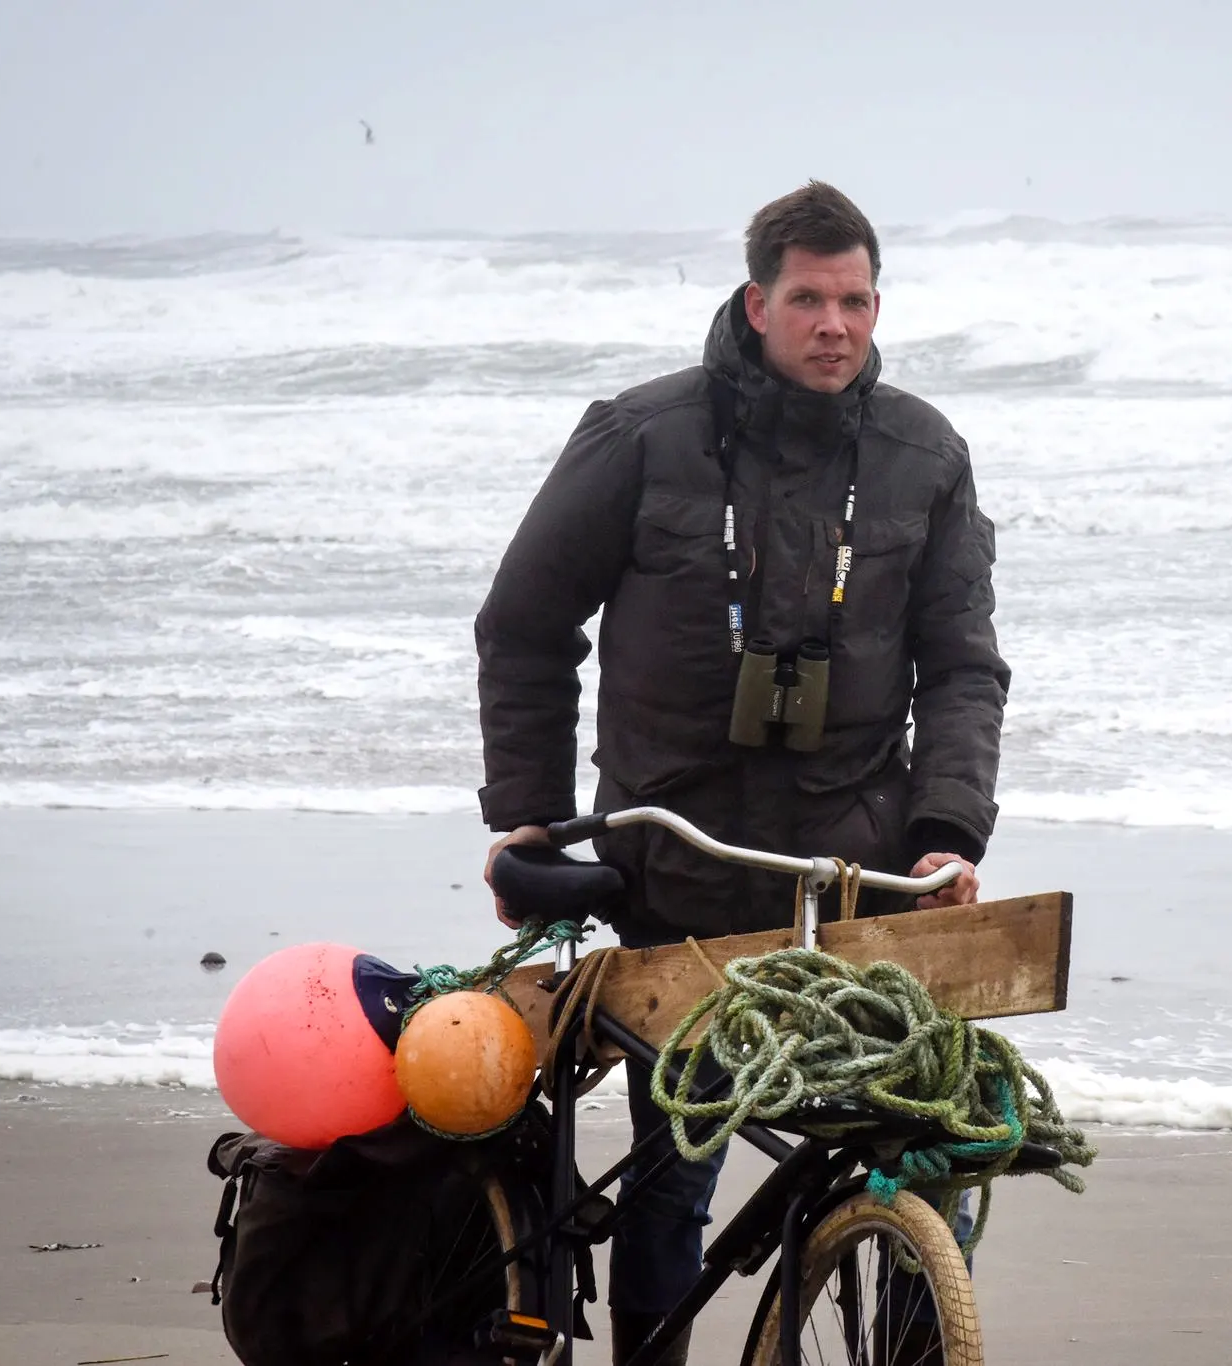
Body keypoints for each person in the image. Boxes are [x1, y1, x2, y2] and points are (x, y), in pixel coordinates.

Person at [474, 181, 1008, 1363]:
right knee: (679, 1169)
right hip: (680, 860)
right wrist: (529, 820)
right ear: (756, 300)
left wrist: (947, 831)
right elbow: (522, 626)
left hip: (857, 867)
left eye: (856, 299)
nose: (835, 324)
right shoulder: (640, 435)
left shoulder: (924, 454)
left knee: (931, 1140)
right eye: (809, 299)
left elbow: (963, 664)